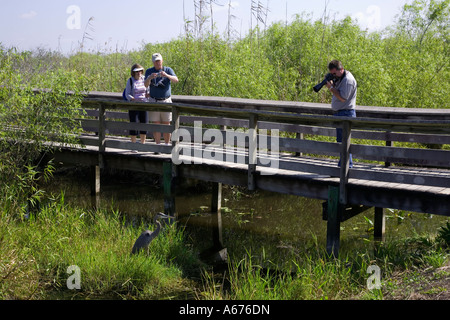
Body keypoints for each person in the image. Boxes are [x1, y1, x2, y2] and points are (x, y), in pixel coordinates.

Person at [325, 60, 357, 168]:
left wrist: (330, 88)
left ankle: (347, 166)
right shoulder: (340, 77)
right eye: (332, 73)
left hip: (346, 114)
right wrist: (332, 82)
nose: (333, 75)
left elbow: (343, 98)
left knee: (344, 142)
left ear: (341, 69)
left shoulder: (348, 80)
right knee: (341, 142)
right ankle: (343, 165)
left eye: (334, 73)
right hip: (340, 113)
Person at [144, 53, 179, 145]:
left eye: (159, 61)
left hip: (166, 101)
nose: (158, 63)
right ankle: (158, 145)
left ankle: (167, 145)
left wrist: (167, 75)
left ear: (162, 61)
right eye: (156, 62)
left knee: (166, 123)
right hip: (154, 100)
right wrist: (150, 78)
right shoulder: (149, 71)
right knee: (156, 124)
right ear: (153, 62)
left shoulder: (168, 69)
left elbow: (176, 80)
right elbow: (145, 84)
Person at [125, 64, 149, 146]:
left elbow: (147, 90)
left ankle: (143, 144)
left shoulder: (145, 79)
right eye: (137, 71)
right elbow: (127, 94)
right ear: (133, 72)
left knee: (144, 123)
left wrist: (148, 95)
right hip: (134, 105)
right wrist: (132, 98)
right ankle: (133, 144)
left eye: (140, 71)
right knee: (134, 123)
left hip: (144, 104)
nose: (139, 73)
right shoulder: (130, 80)